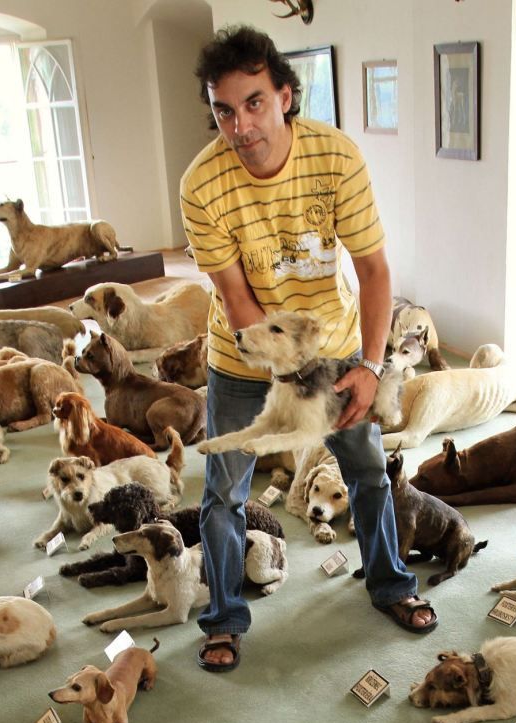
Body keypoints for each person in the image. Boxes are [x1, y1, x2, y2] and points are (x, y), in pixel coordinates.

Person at [180, 25, 437, 673]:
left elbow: (375, 271)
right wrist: (291, 384)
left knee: (369, 472)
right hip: (244, 357)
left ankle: (391, 584)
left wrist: (370, 367)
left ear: (286, 96)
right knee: (223, 494)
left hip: (337, 349)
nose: (240, 126)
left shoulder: (336, 157)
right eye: (224, 110)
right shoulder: (201, 184)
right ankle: (224, 618)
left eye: (254, 103)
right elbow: (236, 299)